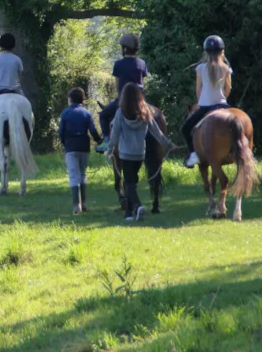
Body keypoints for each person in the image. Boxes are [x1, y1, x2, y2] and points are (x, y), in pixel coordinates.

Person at [107, 83, 179, 222]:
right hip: (140, 154)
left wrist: (109, 150)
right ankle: (128, 214)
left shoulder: (120, 113)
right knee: (132, 182)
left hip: (126, 153)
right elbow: (157, 132)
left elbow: (114, 135)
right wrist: (169, 145)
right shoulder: (145, 112)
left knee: (129, 183)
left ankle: (138, 206)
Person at [182, 35, 232, 168]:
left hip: (205, 106)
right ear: (222, 52)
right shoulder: (226, 68)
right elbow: (228, 88)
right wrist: (222, 99)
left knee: (185, 129)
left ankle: (194, 155)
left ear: (206, 52)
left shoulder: (201, 68)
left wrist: (201, 101)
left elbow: (198, 89)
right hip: (222, 105)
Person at [95, 34, 148, 153]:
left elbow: (117, 86)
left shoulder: (118, 64)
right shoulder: (142, 63)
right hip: (140, 100)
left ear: (125, 49)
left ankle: (107, 141)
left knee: (103, 115)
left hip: (123, 100)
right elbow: (143, 83)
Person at [58, 88, 102, 214]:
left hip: (70, 147)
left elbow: (61, 132)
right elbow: (93, 131)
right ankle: (84, 203)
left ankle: (76, 206)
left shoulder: (65, 113)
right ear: (83, 100)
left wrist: (64, 143)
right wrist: (99, 141)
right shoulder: (86, 113)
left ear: (70, 99)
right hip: (84, 147)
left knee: (73, 175)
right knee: (82, 174)